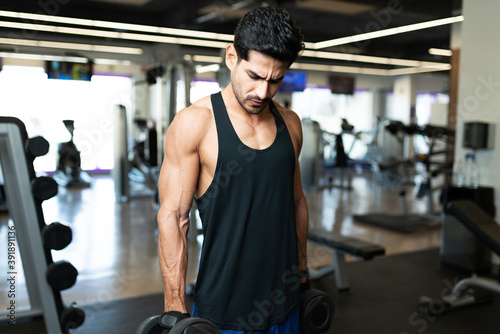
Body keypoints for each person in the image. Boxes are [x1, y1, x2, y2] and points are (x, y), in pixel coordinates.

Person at [157, 6, 308, 333]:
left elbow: (296, 203)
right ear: (231, 57)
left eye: (275, 80)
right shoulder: (195, 123)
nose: (262, 92)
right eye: (254, 76)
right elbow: (173, 216)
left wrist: (304, 272)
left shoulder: (291, 124)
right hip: (221, 309)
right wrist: (174, 305)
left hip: (287, 302)